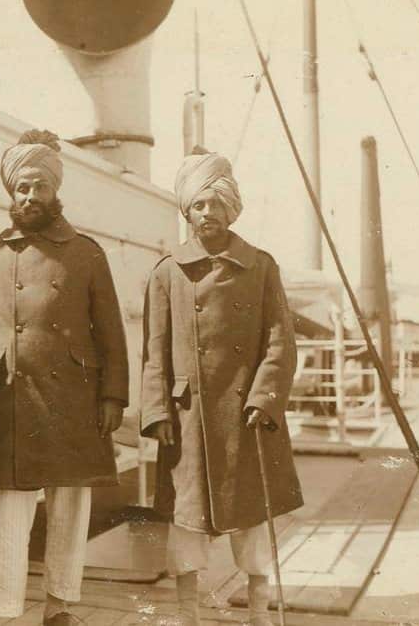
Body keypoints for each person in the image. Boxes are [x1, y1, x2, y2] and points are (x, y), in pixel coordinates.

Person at [0, 130, 129, 626]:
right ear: (11, 191)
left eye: (39, 187)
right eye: (21, 188)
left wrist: (113, 396)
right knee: (4, 506)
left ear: (55, 190)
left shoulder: (86, 253)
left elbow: (111, 332)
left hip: (76, 399)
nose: (29, 196)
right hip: (11, 395)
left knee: (69, 505)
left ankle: (60, 606)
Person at [140, 149, 303, 626]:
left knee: (251, 521)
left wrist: (265, 398)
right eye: (198, 205)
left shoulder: (261, 267)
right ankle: (187, 615)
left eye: (215, 203)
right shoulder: (167, 270)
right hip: (187, 418)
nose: (207, 213)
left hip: (246, 416)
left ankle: (259, 614)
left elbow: (281, 340)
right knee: (187, 524)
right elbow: (154, 349)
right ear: (187, 212)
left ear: (231, 209)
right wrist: (156, 411)